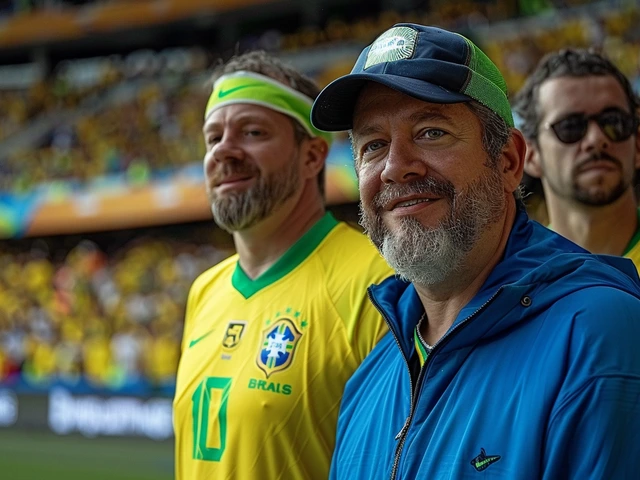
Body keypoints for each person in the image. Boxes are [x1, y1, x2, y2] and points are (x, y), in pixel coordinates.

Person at [310, 23, 640, 479]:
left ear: (508, 161)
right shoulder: (370, 379)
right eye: (374, 145)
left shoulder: (598, 332)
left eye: (430, 132)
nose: (395, 168)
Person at [172, 51, 393, 480]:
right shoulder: (205, 291)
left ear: (312, 156)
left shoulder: (377, 284)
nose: (224, 151)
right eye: (212, 137)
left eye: (252, 132)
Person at [514, 49, 640, 267]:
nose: (596, 139)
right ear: (531, 155)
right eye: (570, 127)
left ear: (638, 144)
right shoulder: (518, 279)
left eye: (614, 122)